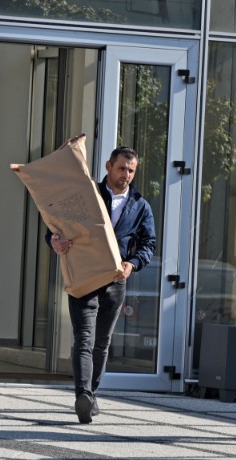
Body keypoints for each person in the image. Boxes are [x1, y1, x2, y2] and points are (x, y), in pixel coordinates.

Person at [47, 145, 156, 424]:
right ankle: (82, 394)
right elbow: (55, 225)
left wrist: (132, 264)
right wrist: (55, 241)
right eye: (122, 168)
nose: (126, 175)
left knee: (101, 342)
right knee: (84, 338)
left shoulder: (140, 205)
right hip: (83, 276)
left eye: (131, 170)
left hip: (115, 282)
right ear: (108, 166)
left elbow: (148, 244)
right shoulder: (87, 195)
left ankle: (90, 393)